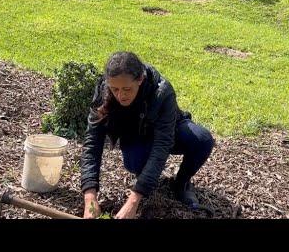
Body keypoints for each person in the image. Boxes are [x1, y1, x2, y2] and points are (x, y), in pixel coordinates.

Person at [80, 51, 215, 219]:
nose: (120, 95)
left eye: (127, 89)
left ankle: (181, 183)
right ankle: (145, 178)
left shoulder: (163, 91)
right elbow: (92, 143)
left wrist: (133, 201)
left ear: (140, 80)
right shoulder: (104, 90)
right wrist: (90, 197)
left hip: (170, 129)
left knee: (202, 140)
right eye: (114, 89)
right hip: (136, 134)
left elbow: (162, 145)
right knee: (135, 160)